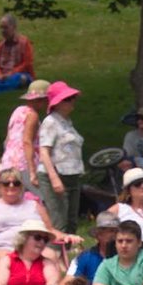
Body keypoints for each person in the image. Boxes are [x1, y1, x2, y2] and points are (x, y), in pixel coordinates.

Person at [36, 80, 85, 234]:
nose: (72, 101)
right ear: (56, 103)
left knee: (71, 219)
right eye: (67, 99)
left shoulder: (67, 122)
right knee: (59, 220)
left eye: (72, 98)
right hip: (56, 175)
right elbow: (44, 151)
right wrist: (54, 178)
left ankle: (70, 250)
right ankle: (57, 251)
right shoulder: (50, 122)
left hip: (72, 175)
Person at [0, 79, 50, 188]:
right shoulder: (33, 116)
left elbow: (8, 139)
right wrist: (32, 171)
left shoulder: (18, 110)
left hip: (8, 162)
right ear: (41, 100)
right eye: (47, 100)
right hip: (23, 164)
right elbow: (27, 141)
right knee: (38, 198)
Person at [0, 14, 35, 91]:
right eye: (1, 28)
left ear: (14, 27)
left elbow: (27, 63)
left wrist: (10, 74)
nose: (3, 31)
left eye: (5, 28)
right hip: (2, 76)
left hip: (18, 75)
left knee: (20, 79)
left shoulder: (24, 42)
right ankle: (2, 85)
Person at [70, 211, 120, 283]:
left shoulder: (125, 256)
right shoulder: (86, 257)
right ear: (99, 234)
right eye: (111, 231)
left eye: (117, 231)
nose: (115, 235)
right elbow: (73, 283)